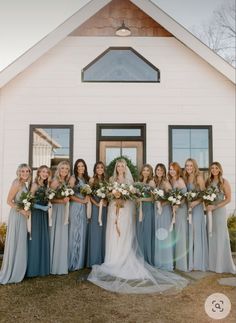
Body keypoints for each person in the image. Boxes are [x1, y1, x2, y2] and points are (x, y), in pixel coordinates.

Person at [88, 158, 188, 294]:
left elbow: (133, 195)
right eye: (119, 166)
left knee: (125, 233)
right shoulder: (111, 179)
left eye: (123, 166)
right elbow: (108, 194)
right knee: (113, 233)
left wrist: (124, 196)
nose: (120, 168)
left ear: (125, 167)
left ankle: (124, 257)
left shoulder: (130, 181)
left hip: (126, 211)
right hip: (114, 209)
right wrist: (114, 195)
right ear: (116, 167)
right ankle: (112, 259)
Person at [0, 163, 31, 284]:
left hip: (22, 215)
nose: (25, 173)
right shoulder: (16, 183)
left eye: (27, 171)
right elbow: (9, 201)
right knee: (15, 240)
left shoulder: (25, 184)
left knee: (20, 240)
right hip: (17, 215)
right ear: (18, 172)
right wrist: (22, 210)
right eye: (22, 171)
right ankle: (12, 271)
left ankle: (18, 269)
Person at [205, 162, 235, 273]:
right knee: (211, 235)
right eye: (212, 168)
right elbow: (205, 197)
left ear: (220, 169)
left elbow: (228, 198)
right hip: (210, 212)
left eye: (216, 168)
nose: (214, 170)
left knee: (221, 236)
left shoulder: (224, 182)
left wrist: (215, 206)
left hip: (219, 211)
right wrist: (207, 205)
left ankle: (221, 265)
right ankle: (212, 264)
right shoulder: (208, 182)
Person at [183, 159, 208, 271]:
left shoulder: (199, 177)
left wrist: (195, 203)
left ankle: (198, 263)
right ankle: (191, 262)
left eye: (191, 165)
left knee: (196, 234)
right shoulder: (186, 178)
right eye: (187, 165)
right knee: (190, 234)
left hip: (197, 209)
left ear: (194, 166)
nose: (189, 167)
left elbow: (204, 194)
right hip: (188, 209)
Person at [26, 165, 51, 277]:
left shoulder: (46, 185)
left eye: (47, 172)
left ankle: (42, 268)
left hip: (44, 215)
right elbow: (28, 201)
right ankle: (33, 269)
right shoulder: (35, 185)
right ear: (39, 173)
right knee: (35, 239)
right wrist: (42, 208)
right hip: (36, 214)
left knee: (42, 238)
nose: (45, 174)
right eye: (43, 172)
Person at [68, 159, 90, 270]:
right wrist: (82, 201)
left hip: (84, 208)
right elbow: (69, 195)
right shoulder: (73, 178)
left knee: (82, 231)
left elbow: (89, 193)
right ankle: (73, 261)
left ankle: (80, 261)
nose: (80, 168)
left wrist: (87, 198)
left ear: (85, 167)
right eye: (78, 166)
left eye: (82, 166)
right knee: (75, 231)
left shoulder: (86, 179)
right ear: (76, 168)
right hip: (75, 206)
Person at [50, 161, 71, 275]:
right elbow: (50, 199)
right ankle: (54, 265)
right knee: (57, 234)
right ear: (59, 169)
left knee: (62, 236)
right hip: (57, 210)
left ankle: (61, 264)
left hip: (64, 209)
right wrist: (61, 201)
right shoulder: (55, 181)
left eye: (66, 169)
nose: (64, 170)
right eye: (62, 168)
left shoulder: (65, 181)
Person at [86, 161, 107, 267]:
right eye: (97, 167)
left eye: (101, 167)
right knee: (95, 232)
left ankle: (102, 258)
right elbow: (88, 195)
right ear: (95, 169)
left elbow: (108, 195)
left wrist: (105, 202)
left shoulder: (106, 180)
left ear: (104, 169)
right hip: (95, 208)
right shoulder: (92, 180)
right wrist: (97, 204)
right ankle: (94, 260)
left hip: (104, 208)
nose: (99, 169)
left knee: (103, 233)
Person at [168, 162, 188, 272]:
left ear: (177, 170)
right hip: (173, 210)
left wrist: (177, 204)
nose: (172, 171)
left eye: (173, 169)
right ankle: (174, 261)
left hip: (181, 210)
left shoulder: (180, 180)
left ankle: (182, 264)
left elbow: (184, 196)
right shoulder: (170, 181)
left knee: (180, 234)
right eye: (170, 169)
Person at [154, 163, 174, 271]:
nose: (159, 172)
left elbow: (172, 197)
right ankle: (158, 260)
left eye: (161, 170)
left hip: (164, 211)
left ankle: (166, 262)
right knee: (158, 235)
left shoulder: (166, 183)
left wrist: (162, 203)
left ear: (164, 172)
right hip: (156, 211)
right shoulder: (155, 182)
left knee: (164, 236)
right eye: (157, 170)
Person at [136, 164, 155, 265]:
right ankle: (140, 256)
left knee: (146, 232)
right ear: (141, 171)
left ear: (150, 172)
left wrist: (142, 199)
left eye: (148, 170)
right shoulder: (138, 182)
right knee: (140, 232)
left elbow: (153, 198)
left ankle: (147, 258)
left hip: (148, 208)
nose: (146, 172)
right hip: (140, 208)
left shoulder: (151, 182)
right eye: (144, 170)